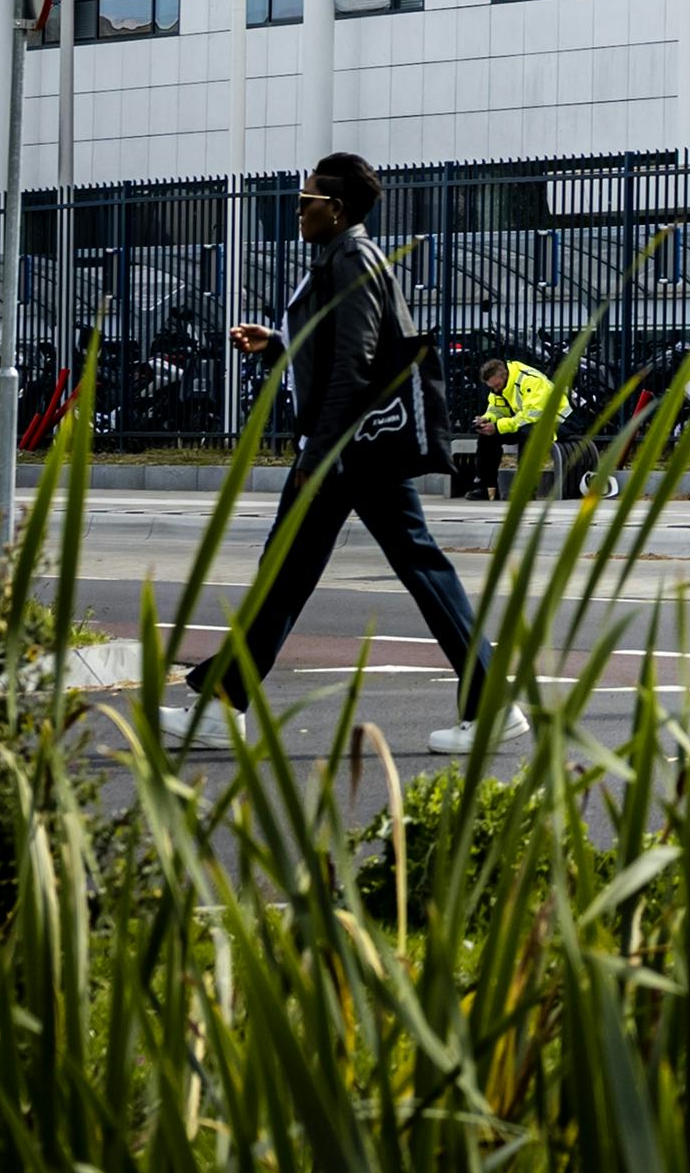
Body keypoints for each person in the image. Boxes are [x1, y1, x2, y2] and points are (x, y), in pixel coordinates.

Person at [182, 152, 489, 752]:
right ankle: (222, 704)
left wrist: (316, 457)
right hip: (352, 449)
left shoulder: (353, 259)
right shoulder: (338, 257)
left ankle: (490, 703)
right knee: (292, 572)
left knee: (409, 566)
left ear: (337, 208)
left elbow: (353, 366)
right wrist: (278, 344)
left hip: (349, 452)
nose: (298, 211)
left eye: (307, 202)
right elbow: (333, 352)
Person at [462, 351, 561, 502]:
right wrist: (487, 419)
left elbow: (531, 416)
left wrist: (498, 427)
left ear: (505, 376)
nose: (495, 390)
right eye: (492, 387)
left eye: (497, 386)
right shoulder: (499, 387)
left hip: (556, 423)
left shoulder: (529, 380)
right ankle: (485, 488)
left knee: (528, 433)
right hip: (522, 423)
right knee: (487, 436)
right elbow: (497, 409)